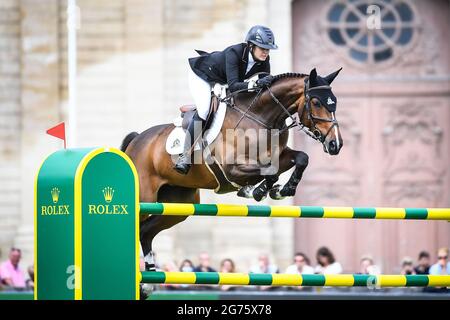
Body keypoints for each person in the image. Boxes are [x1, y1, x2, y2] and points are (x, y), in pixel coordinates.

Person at [174, 25, 278, 174]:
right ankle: (184, 156)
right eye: (262, 48)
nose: (266, 52)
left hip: (221, 80)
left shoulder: (264, 60)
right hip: (202, 75)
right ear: (250, 46)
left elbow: (264, 89)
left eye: (268, 49)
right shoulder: (234, 53)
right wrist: (255, 84)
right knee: (204, 109)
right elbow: (234, 86)